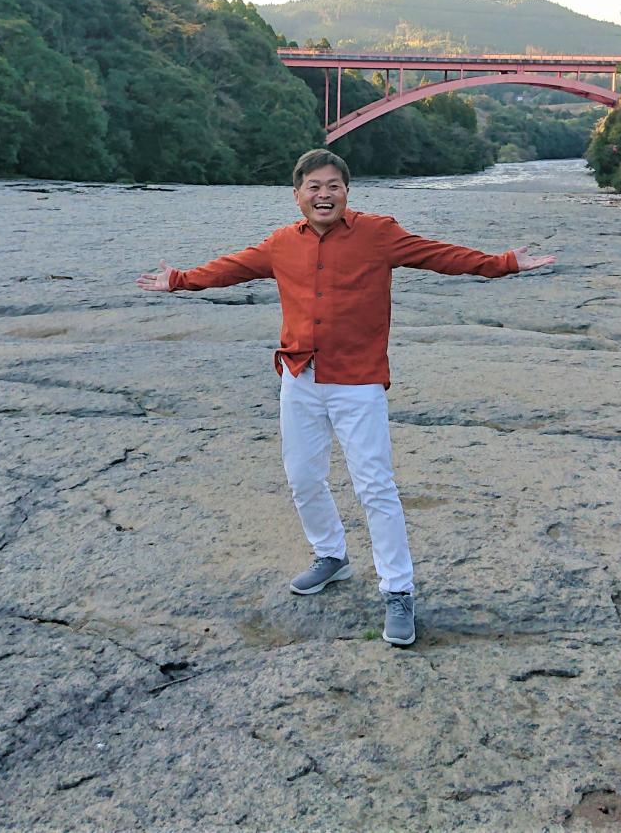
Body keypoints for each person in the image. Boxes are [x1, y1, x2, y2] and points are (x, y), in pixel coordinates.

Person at [136, 148, 555, 647]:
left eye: (332, 185)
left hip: (358, 383)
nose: (323, 194)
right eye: (313, 187)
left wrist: (502, 263)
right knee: (303, 477)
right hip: (300, 377)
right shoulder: (280, 244)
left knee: (375, 487)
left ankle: (398, 592)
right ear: (297, 197)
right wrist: (180, 280)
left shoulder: (379, 234)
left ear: (347, 191)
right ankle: (330, 556)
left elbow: (439, 254)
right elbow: (233, 267)